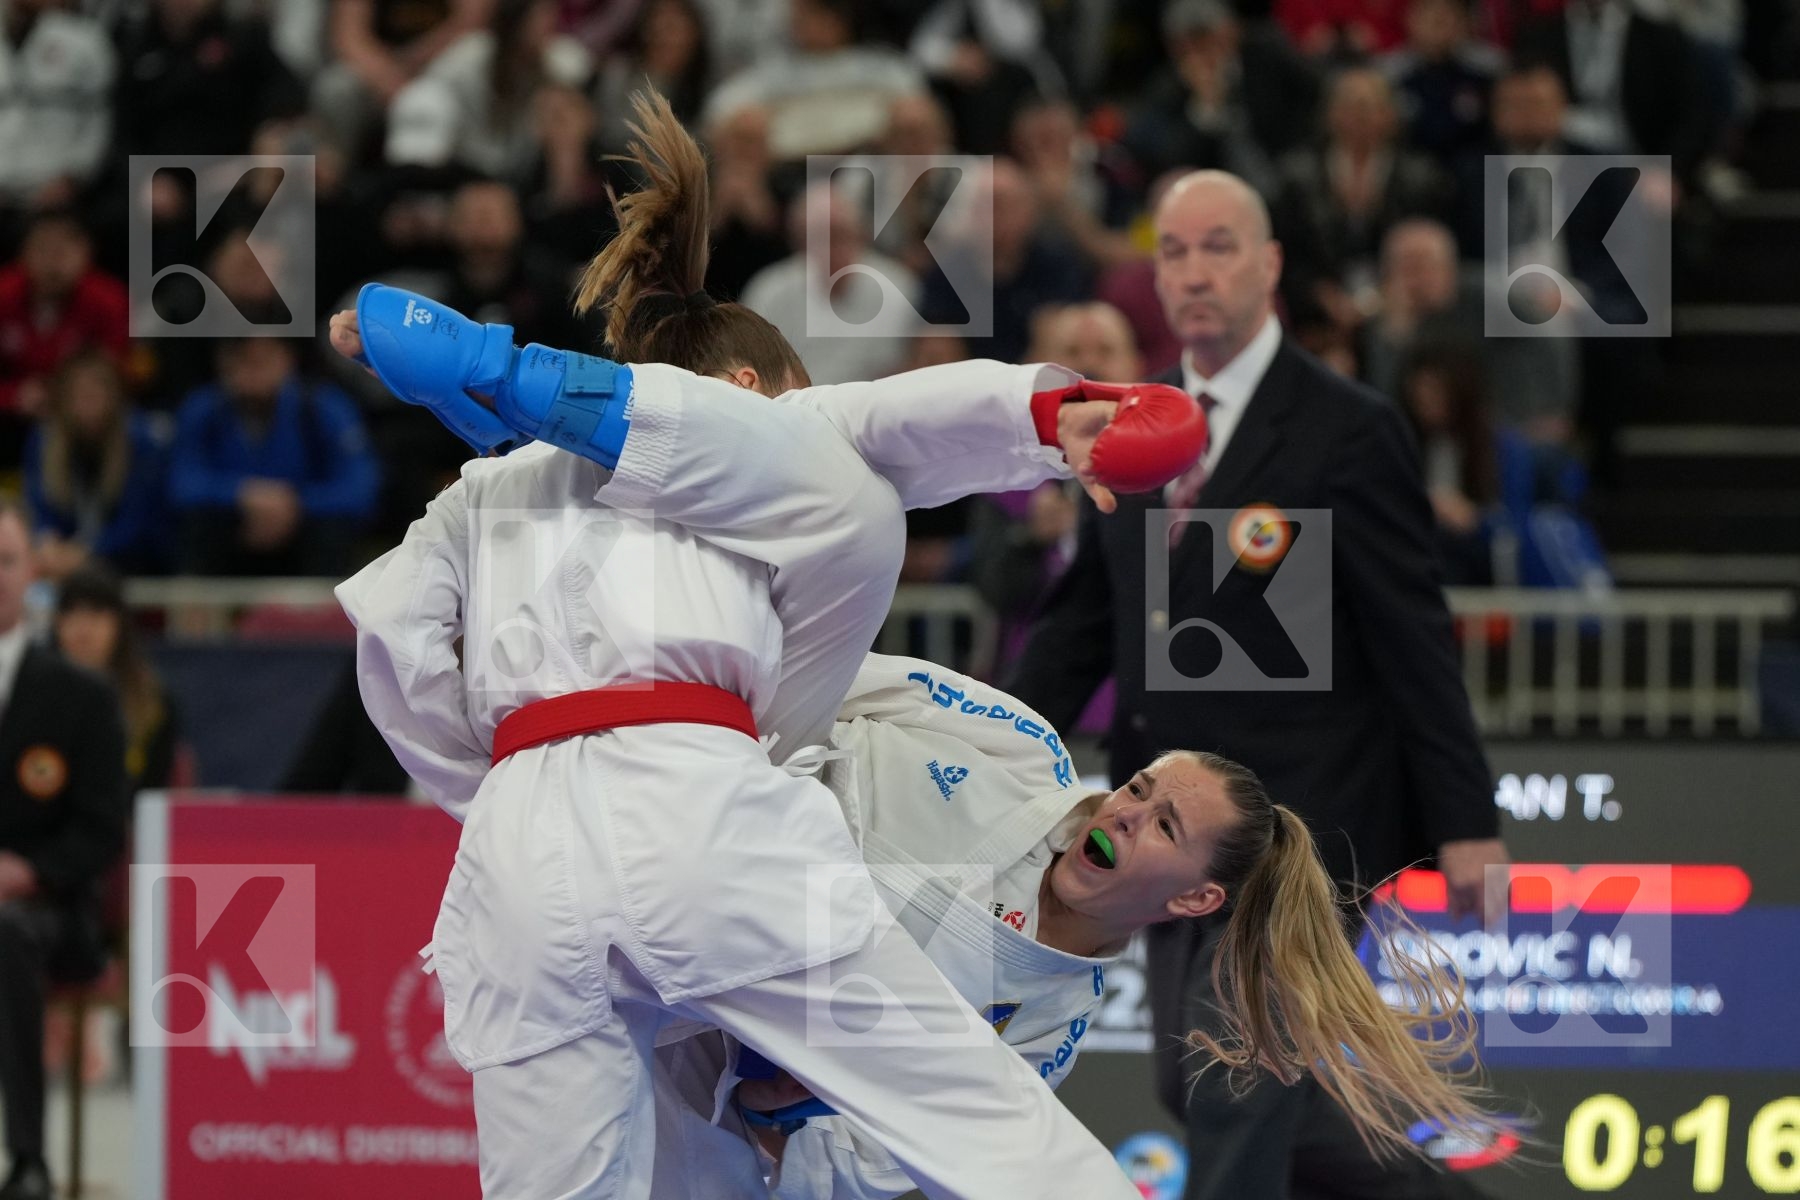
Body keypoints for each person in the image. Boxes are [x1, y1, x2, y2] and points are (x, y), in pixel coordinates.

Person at [331, 91, 1204, 1199]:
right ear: (753, 383)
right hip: (695, 801)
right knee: (968, 1108)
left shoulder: (484, 489)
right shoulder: (776, 429)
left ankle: (497, 370)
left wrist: (495, 785)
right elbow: (884, 423)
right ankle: (500, 365)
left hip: (515, 845)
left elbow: (396, 661)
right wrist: (1052, 419)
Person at [1008, 169, 1508, 1200]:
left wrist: (1468, 817)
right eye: (1176, 252)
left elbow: (1414, 635)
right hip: (1163, 824)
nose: (1195, 271)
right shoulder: (1134, 426)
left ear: (1271, 263)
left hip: (1304, 826)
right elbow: (1087, 624)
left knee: (1234, 1076)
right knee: (1206, 1080)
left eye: (1220, 246)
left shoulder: (1346, 427)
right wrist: (987, 741)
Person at [643, 654, 1492, 1200]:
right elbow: (829, 674)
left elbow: (852, 1169)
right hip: (664, 824)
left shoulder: (1042, 1032)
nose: (1127, 815)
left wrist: (769, 1105)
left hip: (675, 1051)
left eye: (1163, 828)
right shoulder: (1018, 745)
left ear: (1195, 901)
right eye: (1140, 790)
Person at [0, 497, 128, 1200]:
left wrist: (25, 871)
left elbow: (101, 827)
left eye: (7, 560)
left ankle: (28, 1159)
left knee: (7, 934)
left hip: (53, 914)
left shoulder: (80, 695)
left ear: (31, 573)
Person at [168, 335, 381, 576]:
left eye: (263, 359)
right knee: (199, 526)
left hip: (305, 536)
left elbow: (360, 488)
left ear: (288, 359)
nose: (252, 370)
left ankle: (326, 611)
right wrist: (244, 494)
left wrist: (295, 503)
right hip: (232, 533)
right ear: (221, 361)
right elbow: (182, 484)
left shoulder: (324, 406)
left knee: (332, 530)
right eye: (241, 359)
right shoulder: (203, 409)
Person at [23, 351, 171, 581]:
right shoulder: (44, 442)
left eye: (95, 394)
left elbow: (140, 523)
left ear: (115, 396)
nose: (87, 404)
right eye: (79, 395)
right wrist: (46, 540)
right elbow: (38, 508)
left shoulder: (141, 443)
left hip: (133, 570)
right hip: (62, 568)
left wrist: (89, 551)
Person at [52, 562, 181, 793]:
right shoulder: (36, 695)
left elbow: (154, 789)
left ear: (119, 624)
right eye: (72, 613)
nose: (83, 630)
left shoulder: (151, 703)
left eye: (96, 613)